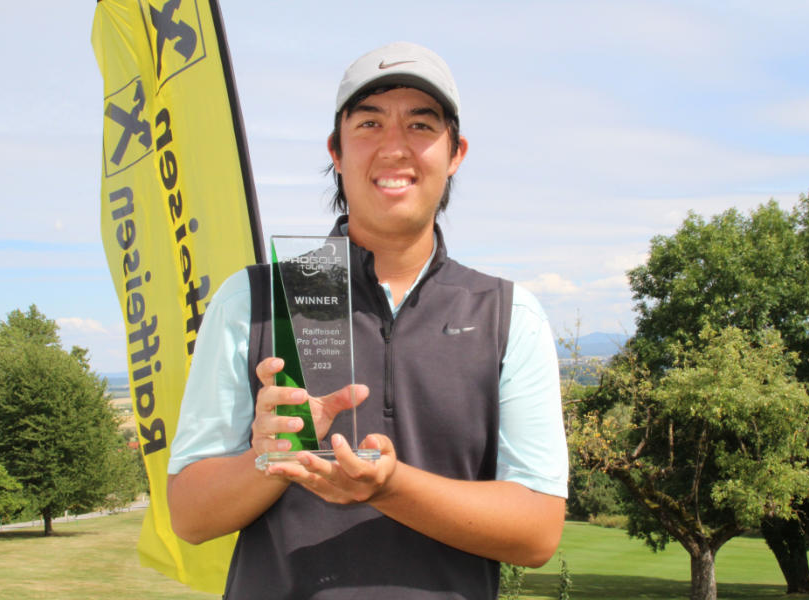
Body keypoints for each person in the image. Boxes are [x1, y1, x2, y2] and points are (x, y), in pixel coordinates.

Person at [167, 41, 568, 599]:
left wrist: (389, 487)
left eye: (421, 125)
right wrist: (272, 458)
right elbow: (190, 515)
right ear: (336, 149)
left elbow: (537, 531)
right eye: (370, 123)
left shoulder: (508, 315)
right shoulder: (255, 300)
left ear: (456, 153)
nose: (394, 147)